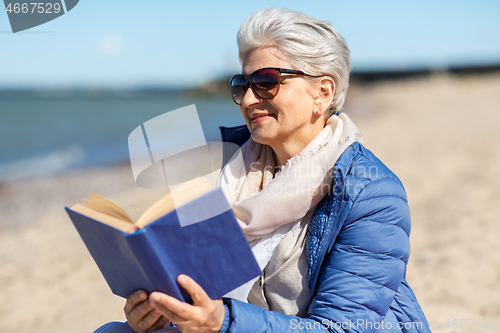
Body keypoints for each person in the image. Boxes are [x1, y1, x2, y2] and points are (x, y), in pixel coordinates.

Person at [95, 7, 431, 333]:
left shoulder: (371, 192)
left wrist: (222, 322)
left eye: (267, 82)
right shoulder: (234, 166)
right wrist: (161, 313)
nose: (247, 100)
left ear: (322, 92)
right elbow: (197, 293)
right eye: (242, 84)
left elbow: (342, 328)